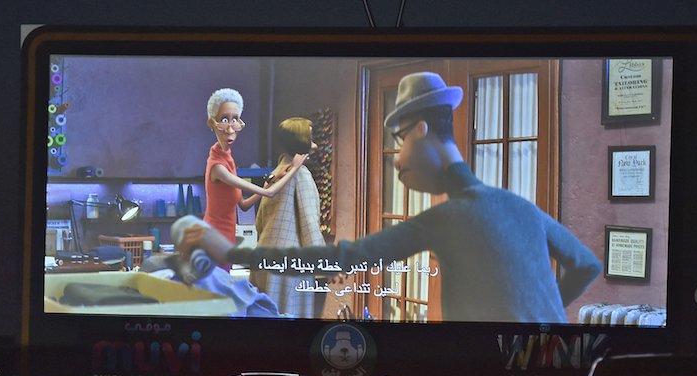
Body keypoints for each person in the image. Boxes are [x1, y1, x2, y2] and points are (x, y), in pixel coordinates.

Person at [181, 73, 602, 324]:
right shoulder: (519, 205)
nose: (396, 158)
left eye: (398, 140)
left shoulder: (448, 217)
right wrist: (541, 323)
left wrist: (236, 255)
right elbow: (586, 264)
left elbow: (347, 255)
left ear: (419, 131)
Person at [202, 88, 308, 246]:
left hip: (227, 240)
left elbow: (244, 205)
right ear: (212, 123)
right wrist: (294, 168)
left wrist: (272, 179)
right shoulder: (217, 167)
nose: (231, 129)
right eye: (224, 120)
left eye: (235, 120)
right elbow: (269, 193)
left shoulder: (228, 158)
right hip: (214, 241)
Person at [250, 117, 325, 318]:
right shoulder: (301, 175)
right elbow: (309, 223)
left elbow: (259, 222)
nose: (315, 145)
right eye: (310, 139)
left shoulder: (276, 173)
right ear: (300, 142)